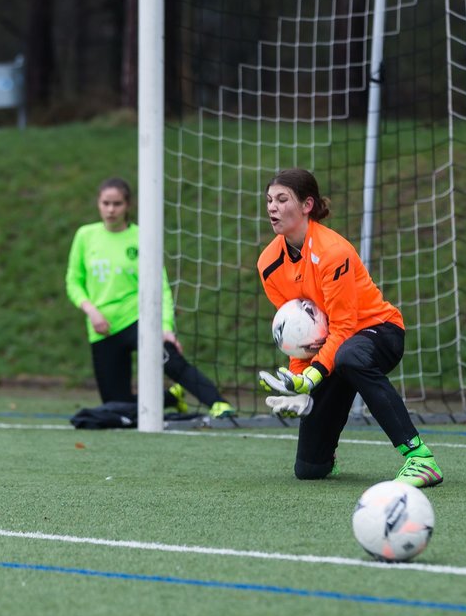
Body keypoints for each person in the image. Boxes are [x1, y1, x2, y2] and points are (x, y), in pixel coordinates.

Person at [256, 168, 442, 487]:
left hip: (377, 331)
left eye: (282, 199)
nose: (272, 207)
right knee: (309, 470)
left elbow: (343, 326)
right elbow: (299, 334)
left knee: (350, 357)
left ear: (307, 205)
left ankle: (420, 459)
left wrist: (313, 375)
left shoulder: (332, 252)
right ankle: (325, 456)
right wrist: (300, 381)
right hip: (334, 350)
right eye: (269, 200)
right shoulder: (268, 264)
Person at [65, 176, 235, 419]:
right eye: (106, 203)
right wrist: (91, 310)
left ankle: (219, 404)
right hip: (102, 327)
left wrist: (165, 328)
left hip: (139, 319)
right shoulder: (85, 236)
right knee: (115, 405)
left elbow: (161, 286)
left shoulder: (142, 236)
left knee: (172, 360)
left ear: (128, 206)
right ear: (98, 204)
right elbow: (73, 281)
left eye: (117, 204)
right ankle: (171, 398)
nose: (111, 210)